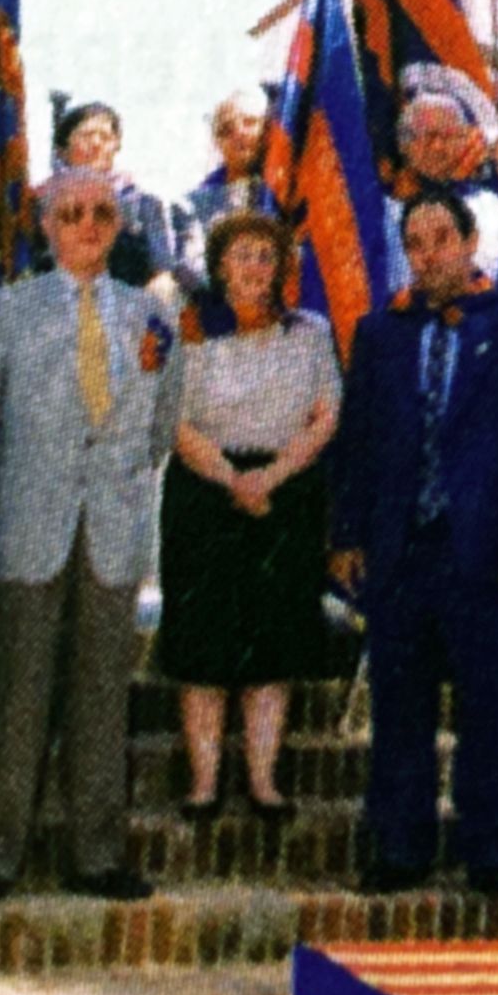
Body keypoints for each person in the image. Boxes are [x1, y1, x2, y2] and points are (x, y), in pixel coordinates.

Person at [0, 167, 184, 907]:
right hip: (28, 525)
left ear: (119, 227)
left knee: (102, 699)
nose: (88, 225)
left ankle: (97, 854)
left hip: (112, 527)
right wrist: (25, 487)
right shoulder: (6, 308)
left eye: (102, 214)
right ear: (47, 226)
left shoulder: (151, 316)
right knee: (17, 696)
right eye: (72, 213)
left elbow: (160, 425)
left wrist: (112, 481)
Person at [331, 188, 498, 898]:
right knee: (399, 702)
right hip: (400, 548)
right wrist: (348, 533)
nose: (428, 254)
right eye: (415, 243)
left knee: (489, 701)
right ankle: (402, 845)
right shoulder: (382, 334)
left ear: (469, 243)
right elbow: (358, 441)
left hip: (485, 548)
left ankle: (487, 845)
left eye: (441, 239)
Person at [157, 213, 339, 822]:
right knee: (203, 641)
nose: (256, 267)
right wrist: (232, 479)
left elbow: (326, 414)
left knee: (273, 639)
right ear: (219, 266)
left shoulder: (308, 331)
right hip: (205, 490)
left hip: (284, 492)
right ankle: (204, 784)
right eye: (243, 255)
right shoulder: (191, 329)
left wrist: (270, 477)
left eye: (267, 255)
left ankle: (263, 782)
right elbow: (174, 418)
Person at [380, 64, 498, 294]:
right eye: (428, 137)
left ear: (464, 141)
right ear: (405, 146)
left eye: (449, 136)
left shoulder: (491, 208)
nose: (438, 147)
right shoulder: (383, 211)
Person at [39, 100, 176, 299]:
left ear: (116, 146)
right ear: (62, 149)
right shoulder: (39, 202)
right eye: (86, 135)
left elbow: (162, 271)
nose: (96, 144)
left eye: (105, 137)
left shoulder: (144, 203)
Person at [169, 88, 275, 293]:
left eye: (250, 122)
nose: (239, 133)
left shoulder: (288, 189)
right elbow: (190, 268)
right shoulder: (193, 206)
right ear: (217, 143)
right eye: (226, 130)